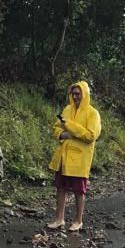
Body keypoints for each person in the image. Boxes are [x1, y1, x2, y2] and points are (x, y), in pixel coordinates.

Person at [46, 81, 102, 232]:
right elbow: (56, 127)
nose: (75, 96)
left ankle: (78, 221)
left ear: (85, 94)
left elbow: (91, 135)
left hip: (80, 159)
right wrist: (62, 134)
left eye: (78, 93)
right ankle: (59, 219)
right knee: (60, 188)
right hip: (64, 156)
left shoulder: (93, 113)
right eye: (73, 93)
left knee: (79, 191)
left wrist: (70, 126)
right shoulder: (67, 109)